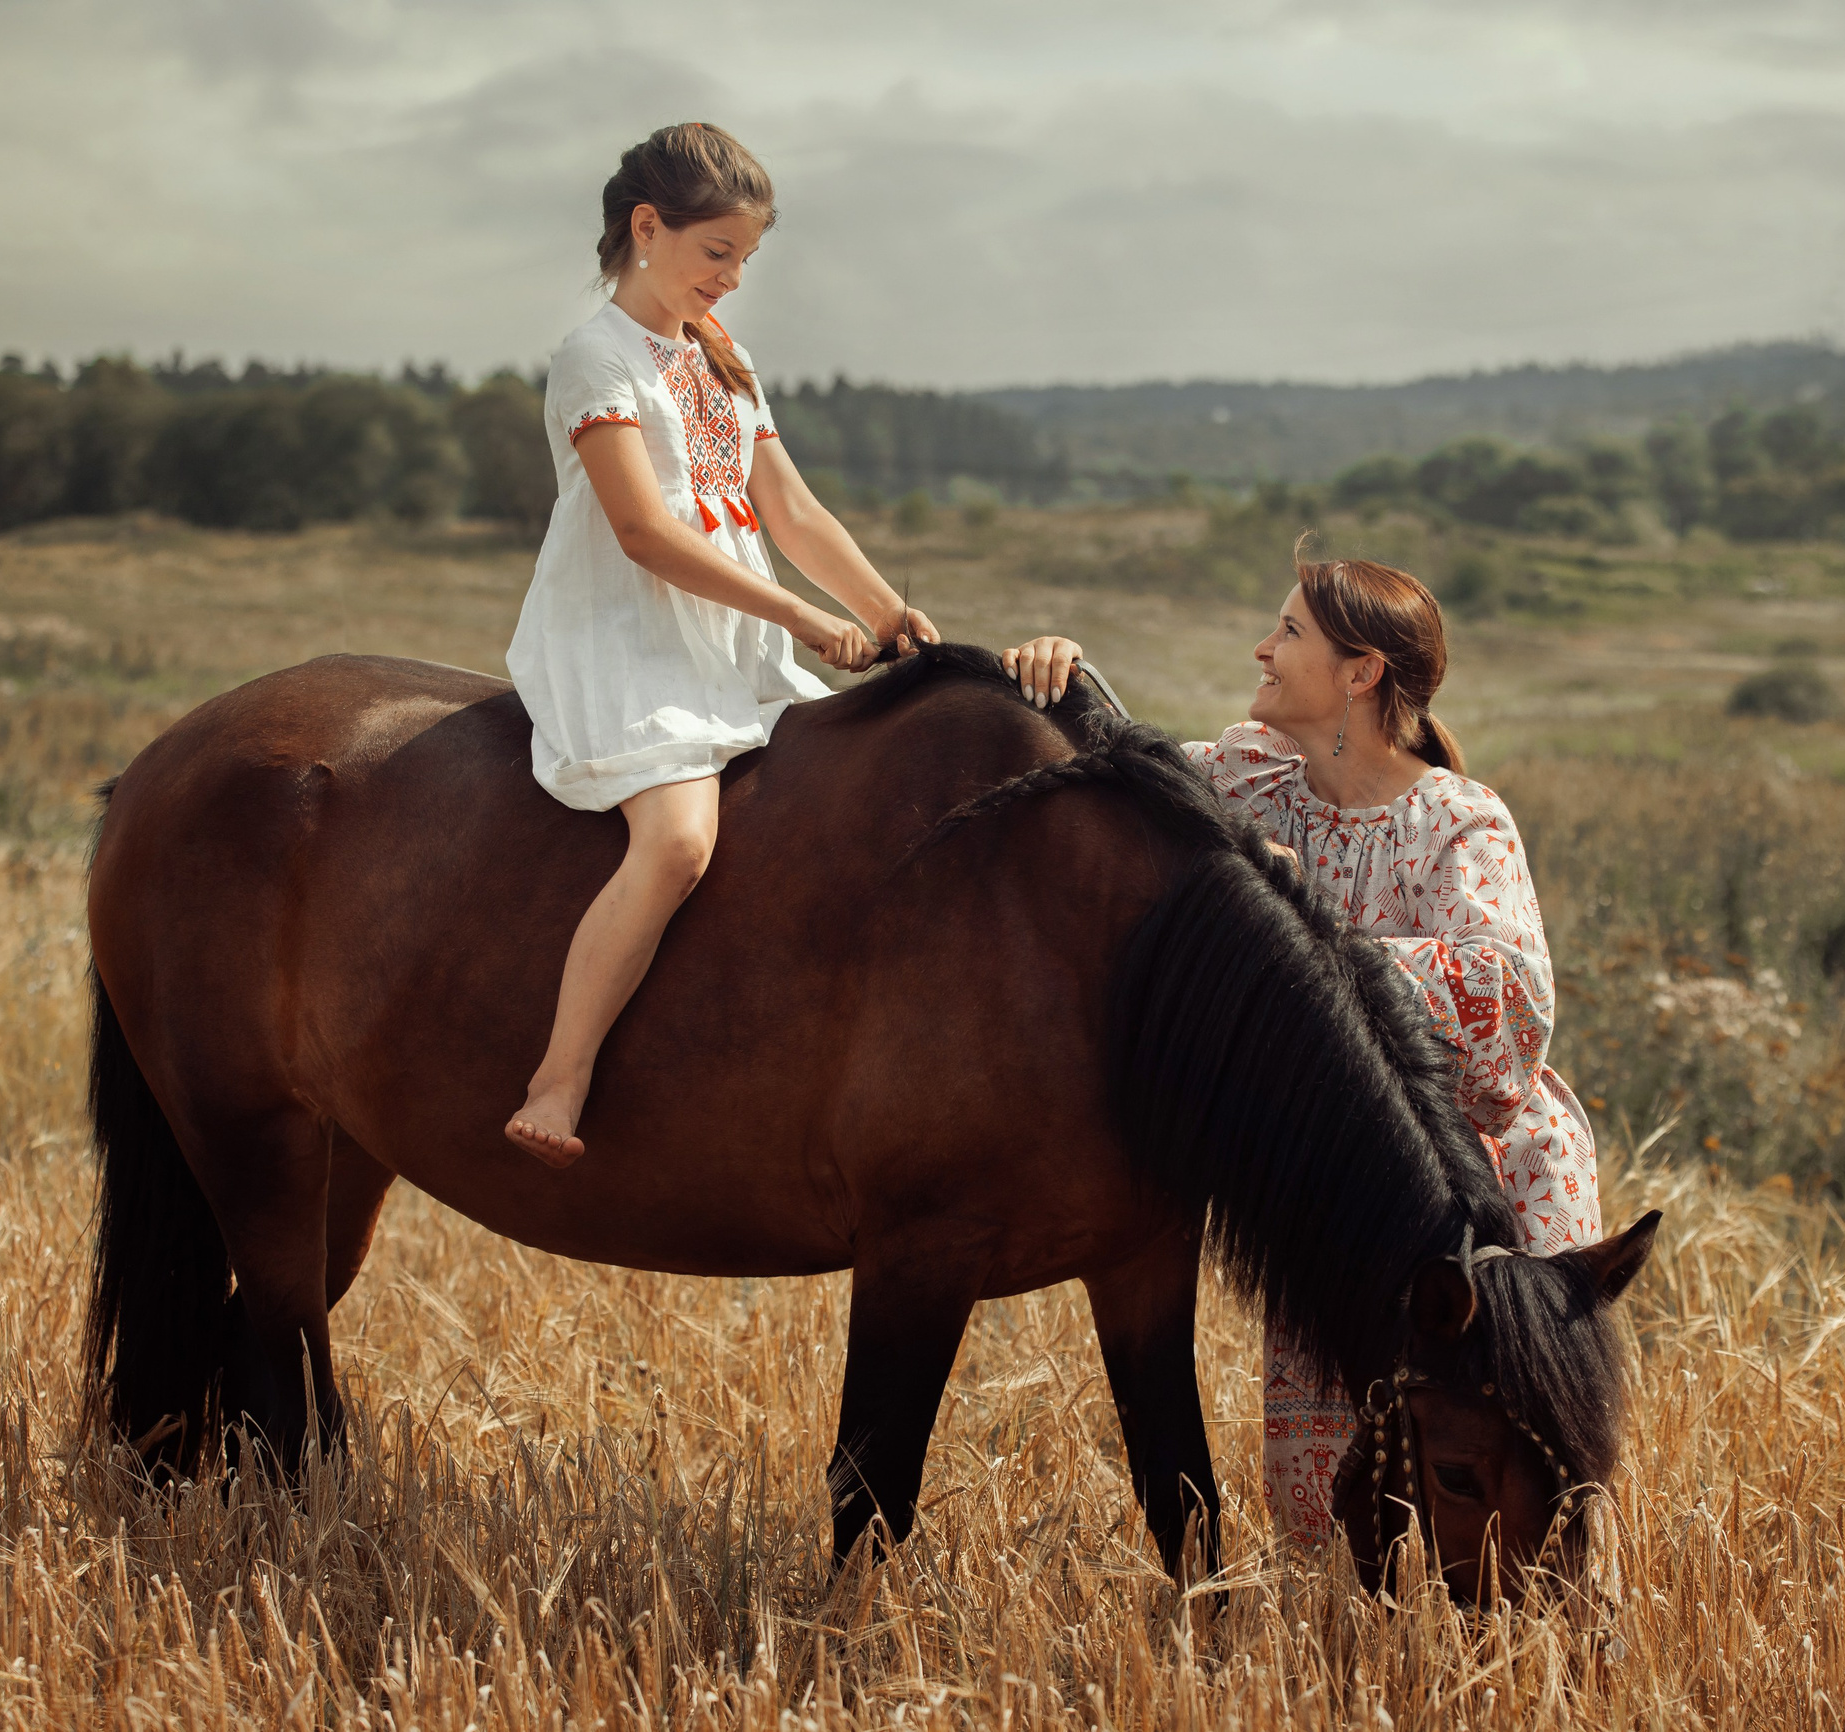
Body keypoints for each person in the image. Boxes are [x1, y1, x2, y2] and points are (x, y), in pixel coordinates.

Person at [1001, 547, 1601, 1547]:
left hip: (1496, 1179)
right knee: (1330, 1503)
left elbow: (1507, 1001)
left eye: (1288, 633)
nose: (1261, 648)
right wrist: (1066, 680)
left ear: (1359, 672)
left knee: (1528, 1462)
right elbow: (1113, 785)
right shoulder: (1250, 780)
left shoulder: (1458, 818)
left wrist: (1300, 947)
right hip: (1338, 1188)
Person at [504, 123, 935, 1167]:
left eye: (745, 259)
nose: (734, 280)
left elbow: (791, 515)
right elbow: (646, 533)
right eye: (717, 254)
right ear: (647, 229)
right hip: (629, 639)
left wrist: (891, 615)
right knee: (680, 842)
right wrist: (798, 617)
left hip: (730, 642)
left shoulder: (721, 361)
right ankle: (558, 1080)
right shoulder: (594, 357)